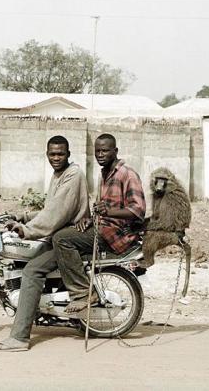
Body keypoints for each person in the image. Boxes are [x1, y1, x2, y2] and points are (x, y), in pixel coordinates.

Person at [0, 135, 90, 352]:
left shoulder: (73, 175)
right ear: (47, 155)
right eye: (52, 154)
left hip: (67, 237)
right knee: (29, 261)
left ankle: (19, 338)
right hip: (59, 235)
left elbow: (56, 214)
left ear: (68, 154)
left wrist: (27, 230)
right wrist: (23, 216)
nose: (56, 157)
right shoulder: (58, 175)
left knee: (31, 272)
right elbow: (50, 208)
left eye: (60, 153)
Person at [52, 133, 146, 313]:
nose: (100, 155)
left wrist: (108, 212)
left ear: (115, 151)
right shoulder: (105, 173)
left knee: (61, 239)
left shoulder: (127, 174)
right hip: (102, 228)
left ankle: (82, 293)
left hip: (115, 235)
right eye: (97, 151)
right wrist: (90, 219)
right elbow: (103, 209)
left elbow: (138, 210)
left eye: (105, 150)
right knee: (67, 231)